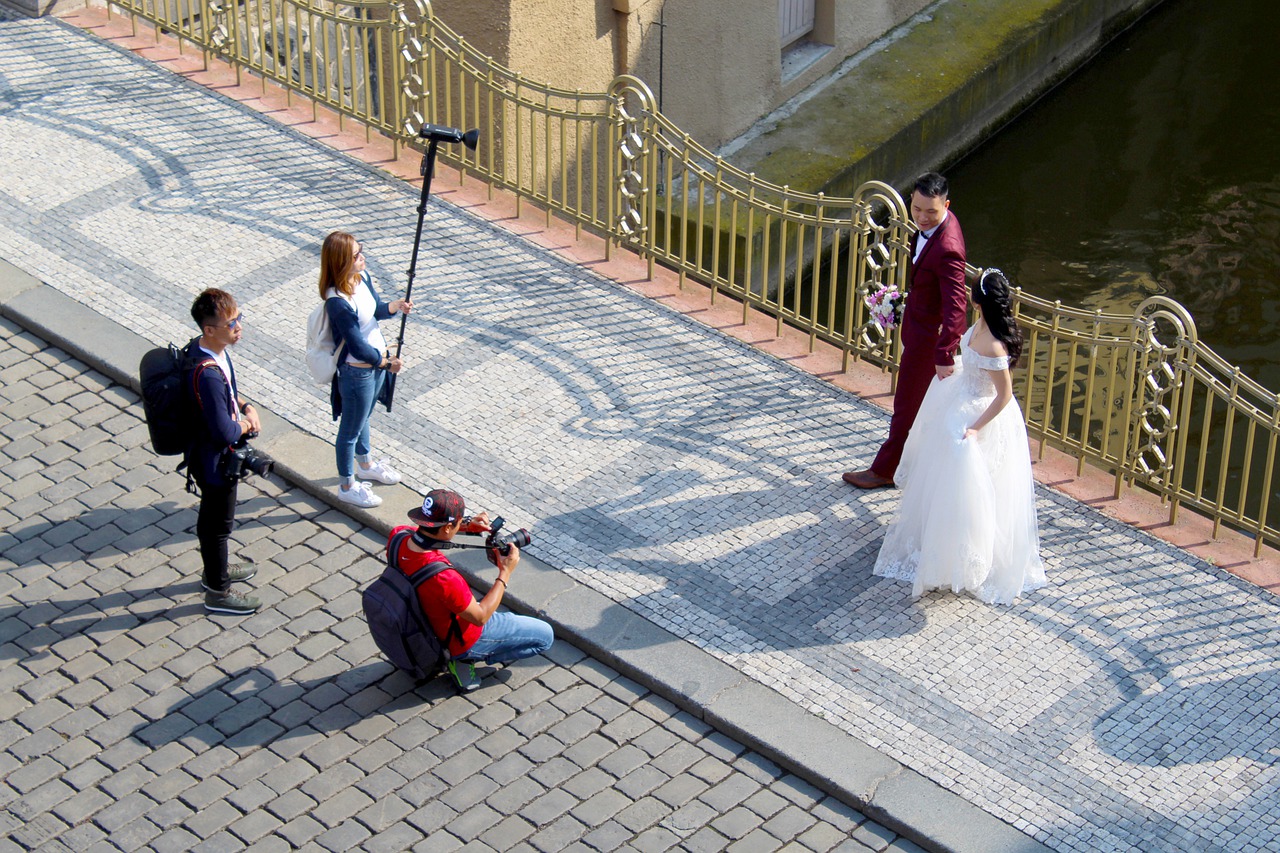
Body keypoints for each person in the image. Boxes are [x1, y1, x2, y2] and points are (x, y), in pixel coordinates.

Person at [872, 269, 1046, 604]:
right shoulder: (980, 325)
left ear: (978, 301)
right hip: (961, 395)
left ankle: (965, 556)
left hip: (982, 413)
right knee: (941, 471)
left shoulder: (995, 345)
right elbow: (971, 360)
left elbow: (1004, 396)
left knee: (972, 479)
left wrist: (976, 428)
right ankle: (939, 539)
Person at [844, 172, 968, 489]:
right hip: (918, 327)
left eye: (931, 212)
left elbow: (957, 306)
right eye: (917, 209)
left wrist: (944, 352)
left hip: (929, 343)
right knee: (917, 408)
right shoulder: (935, 227)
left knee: (906, 409)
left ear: (947, 205)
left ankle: (884, 470)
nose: (922, 218)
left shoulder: (948, 248)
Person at [388, 489, 554, 691]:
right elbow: (480, 617)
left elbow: (428, 533)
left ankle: (459, 656)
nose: (461, 524)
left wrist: (467, 526)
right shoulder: (444, 578)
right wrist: (505, 572)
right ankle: (466, 658)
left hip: (421, 622)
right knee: (545, 636)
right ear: (448, 527)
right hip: (461, 636)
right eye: (459, 522)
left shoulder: (398, 536)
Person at [319, 231, 413, 508]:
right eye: (357, 255)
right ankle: (347, 485)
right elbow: (357, 346)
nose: (363, 257)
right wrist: (386, 363)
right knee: (350, 429)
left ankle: (366, 464)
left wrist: (394, 307)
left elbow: (375, 311)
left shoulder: (362, 278)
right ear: (341, 262)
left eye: (361, 251)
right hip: (358, 371)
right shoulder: (336, 300)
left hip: (375, 364)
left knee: (364, 418)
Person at [184, 289, 263, 616]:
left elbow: (230, 393)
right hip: (215, 461)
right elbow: (224, 431)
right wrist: (248, 424)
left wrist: (244, 405)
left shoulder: (207, 352)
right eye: (232, 323)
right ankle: (217, 590)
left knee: (212, 521)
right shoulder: (209, 376)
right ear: (210, 330)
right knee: (218, 525)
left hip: (203, 452)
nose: (239, 327)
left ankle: (215, 570)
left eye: (239, 318)